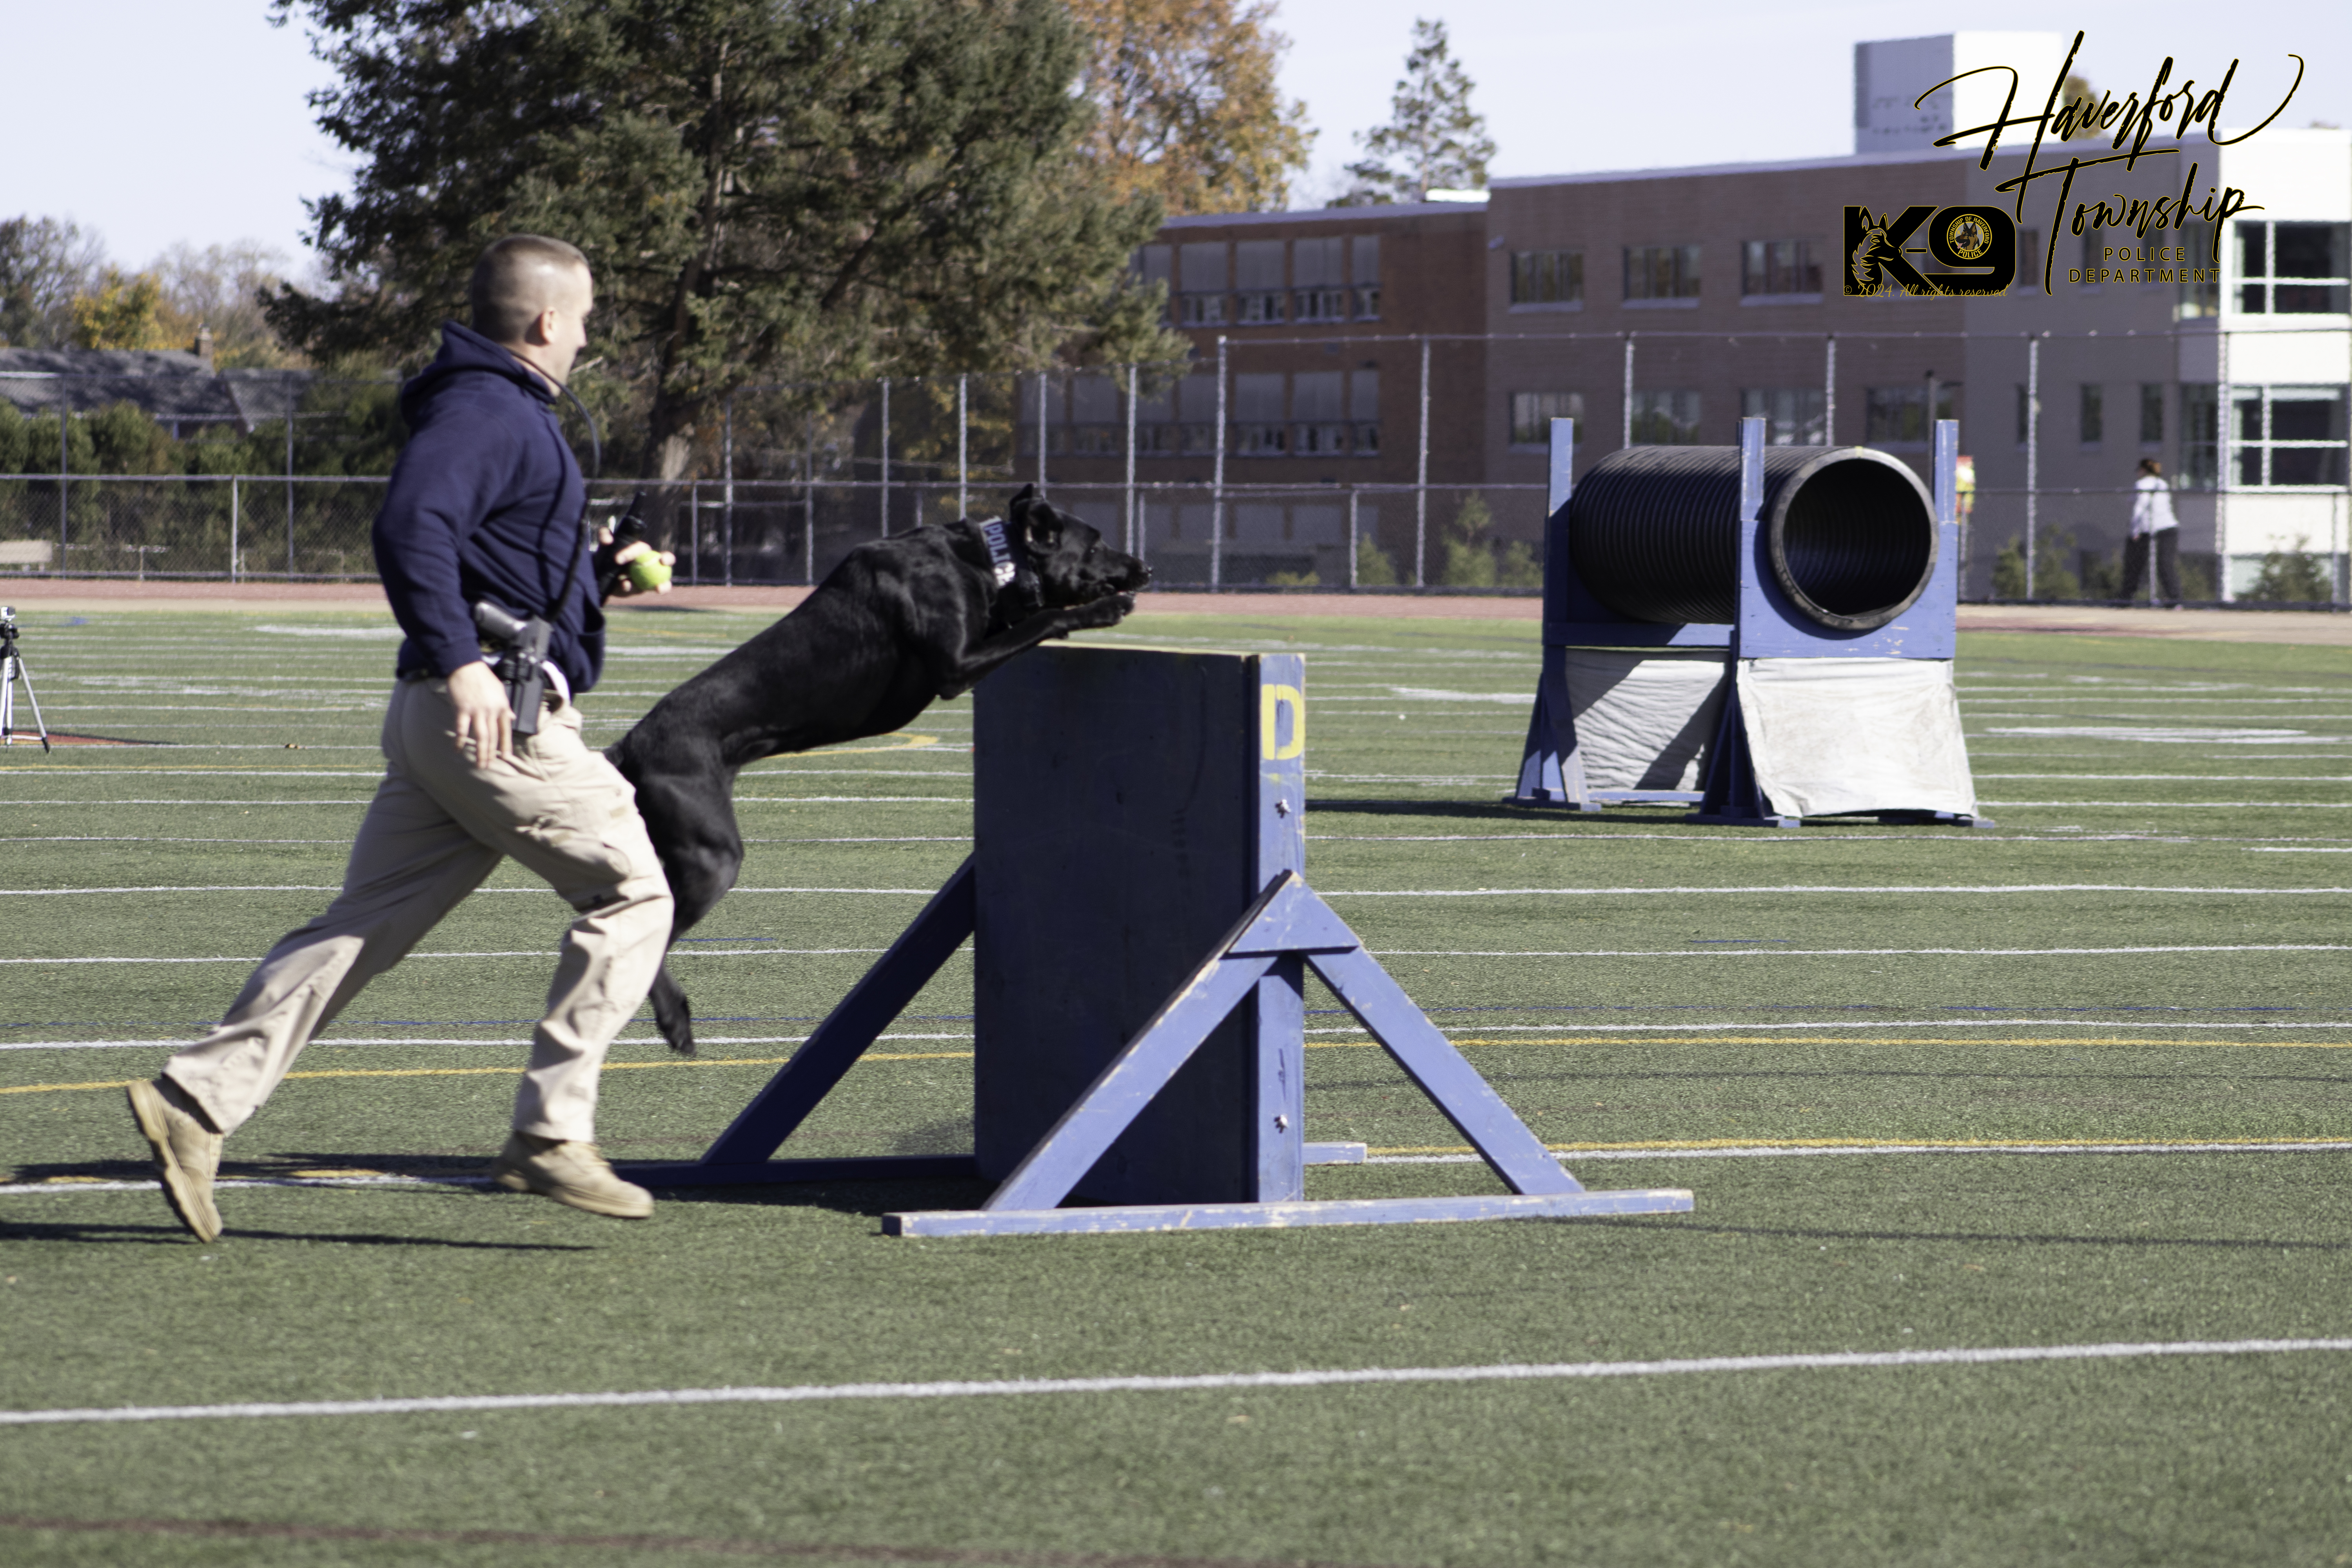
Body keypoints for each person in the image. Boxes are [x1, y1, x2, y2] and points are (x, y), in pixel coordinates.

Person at [125, 234, 679, 1241]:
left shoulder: (494, 409)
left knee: (360, 927)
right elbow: (411, 525)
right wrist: (466, 658)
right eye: (587, 320)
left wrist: (596, 570)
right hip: (486, 713)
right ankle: (553, 1134)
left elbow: (492, 558)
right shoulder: (488, 410)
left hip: (444, 714)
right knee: (634, 891)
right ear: (548, 323)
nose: (588, 338)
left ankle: (194, 1102)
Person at [2123, 456, 2181, 607]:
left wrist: (2134, 531)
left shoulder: (2142, 484)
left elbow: (2139, 508)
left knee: (2134, 564)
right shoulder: (2162, 483)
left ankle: (2125, 599)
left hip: (2147, 530)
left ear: (2143, 471)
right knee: (2165, 564)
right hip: (2168, 528)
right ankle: (2175, 600)